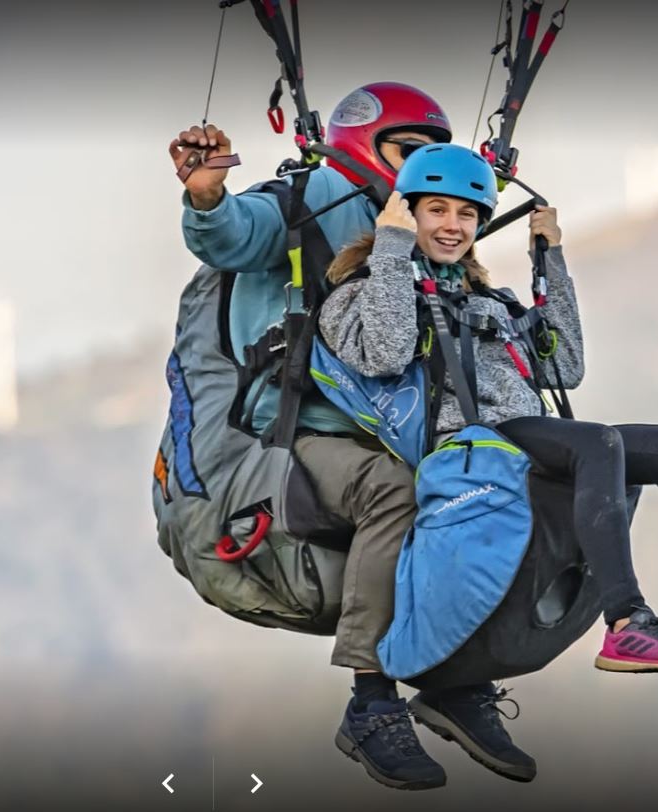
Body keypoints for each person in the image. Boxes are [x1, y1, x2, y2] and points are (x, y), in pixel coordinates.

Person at [318, 143, 658, 682]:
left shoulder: (486, 300)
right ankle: (627, 623)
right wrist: (392, 247)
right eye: (436, 210)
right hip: (469, 444)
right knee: (596, 442)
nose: (452, 225)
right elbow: (385, 353)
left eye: (467, 214)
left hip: (525, 435)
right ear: (406, 212)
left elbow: (565, 367)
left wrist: (550, 261)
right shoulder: (358, 294)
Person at [169, 84, 536, 790]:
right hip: (303, 429)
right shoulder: (311, 198)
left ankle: (457, 680)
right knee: (395, 491)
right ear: (366, 146)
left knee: (480, 492)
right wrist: (207, 195)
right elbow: (233, 234)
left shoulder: (421, 222)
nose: (421, 166)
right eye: (408, 150)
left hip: (398, 429)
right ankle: (371, 702)